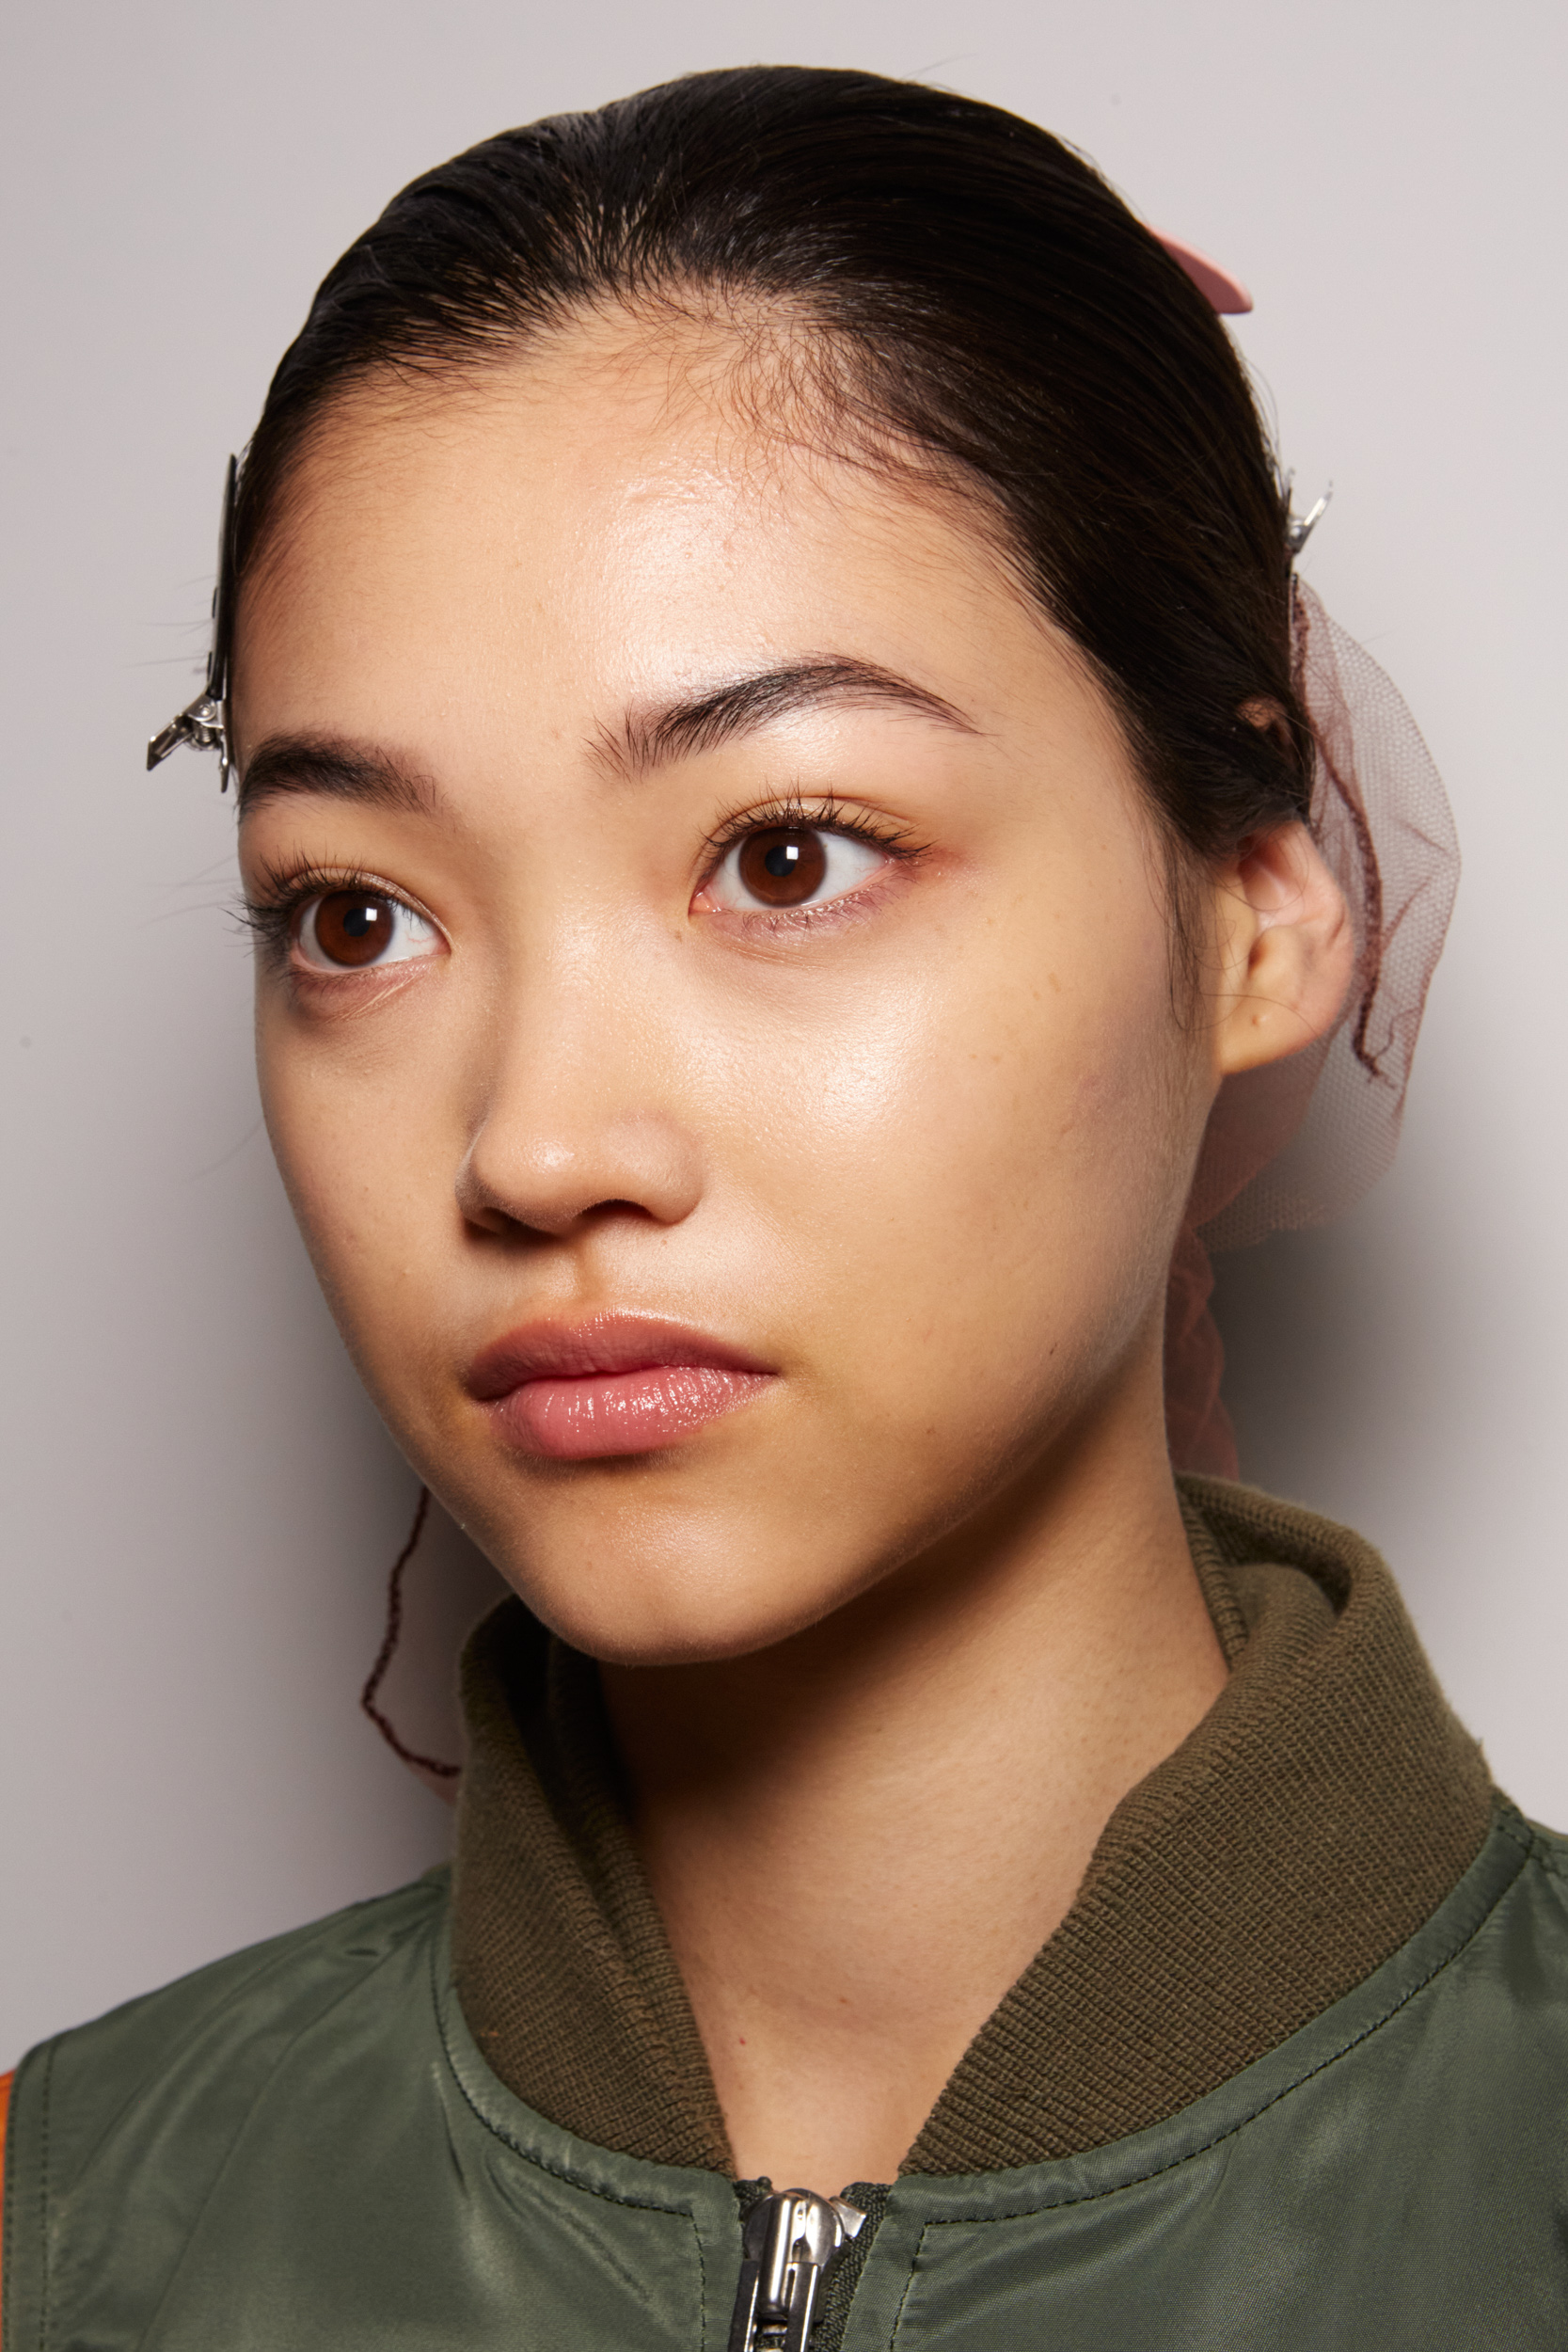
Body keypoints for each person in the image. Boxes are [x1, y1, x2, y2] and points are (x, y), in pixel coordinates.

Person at [4, 64, 1563, 2350]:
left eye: (786, 854)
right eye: (356, 914)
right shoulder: (63, 2220)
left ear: (1258, 911)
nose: (539, 1145)